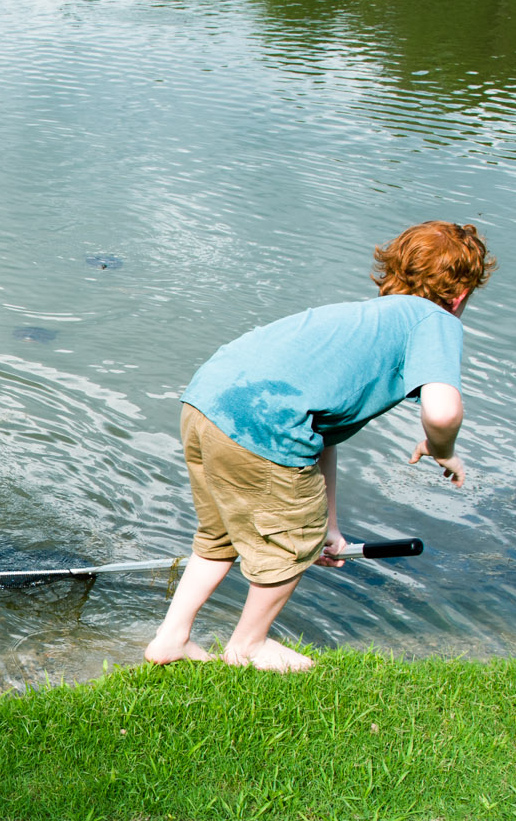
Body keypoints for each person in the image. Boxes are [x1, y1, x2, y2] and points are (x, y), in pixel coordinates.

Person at [144, 221, 495, 672]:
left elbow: (321, 437)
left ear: (395, 272)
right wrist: (441, 447)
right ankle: (248, 646)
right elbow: (444, 411)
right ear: (461, 295)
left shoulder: (365, 319)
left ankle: (171, 638)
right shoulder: (437, 321)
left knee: (220, 535)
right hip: (264, 421)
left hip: (206, 401)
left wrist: (330, 526)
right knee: (293, 542)